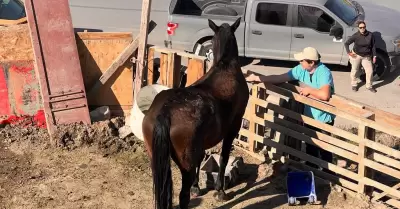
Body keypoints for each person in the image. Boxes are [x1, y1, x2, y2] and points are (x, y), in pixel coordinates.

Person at [246, 47, 335, 174]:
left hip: (323, 117)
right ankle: (312, 170)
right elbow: (280, 78)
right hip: (309, 114)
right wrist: (259, 79)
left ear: (311, 62)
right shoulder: (301, 69)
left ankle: (328, 173)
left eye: (302, 60)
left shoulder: (324, 72)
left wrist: (309, 90)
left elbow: (325, 95)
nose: (299, 62)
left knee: (324, 147)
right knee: (310, 144)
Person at [344, 21, 377, 93]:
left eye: (364, 27)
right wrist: (349, 53)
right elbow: (346, 43)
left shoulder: (370, 35)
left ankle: (369, 86)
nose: (362, 29)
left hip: (366, 56)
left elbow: (373, 46)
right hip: (356, 55)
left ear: (365, 27)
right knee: (355, 70)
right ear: (358, 28)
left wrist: (374, 56)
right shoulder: (355, 35)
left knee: (370, 71)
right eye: (360, 27)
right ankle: (354, 84)